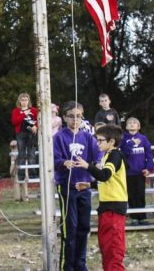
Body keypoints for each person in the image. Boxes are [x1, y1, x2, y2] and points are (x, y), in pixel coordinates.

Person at [53, 101, 101, 271]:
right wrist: (63, 162)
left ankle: (80, 263)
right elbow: (54, 159)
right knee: (70, 228)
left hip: (84, 187)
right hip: (68, 187)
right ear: (64, 117)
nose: (75, 120)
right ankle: (67, 266)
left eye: (79, 116)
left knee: (84, 227)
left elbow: (98, 155)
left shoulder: (88, 137)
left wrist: (98, 164)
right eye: (71, 116)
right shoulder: (59, 137)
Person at [75, 124, 127, 271]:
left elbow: (105, 175)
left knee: (113, 249)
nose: (97, 143)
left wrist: (88, 166)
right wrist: (89, 185)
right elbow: (108, 181)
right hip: (106, 207)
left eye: (100, 140)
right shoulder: (106, 156)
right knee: (105, 247)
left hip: (114, 208)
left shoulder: (115, 155)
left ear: (112, 142)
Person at [120, 117, 154, 225]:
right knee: (131, 195)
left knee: (140, 194)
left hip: (140, 172)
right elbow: (123, 153)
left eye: (134, 123)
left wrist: (149, 168)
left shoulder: (143, 138)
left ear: (138, 127)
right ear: (126, 126)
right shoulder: (123, 139)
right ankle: (134, 217)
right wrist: (131, 143)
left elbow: (149, 154)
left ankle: (142, 217)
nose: (131, 124)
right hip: (128, 172)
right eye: (129, 123)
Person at [11, 93, 39, 182]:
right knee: (21, 154)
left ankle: (33, 175)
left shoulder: (34, 110)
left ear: (28, 101)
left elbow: (39, 120)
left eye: (26, 100)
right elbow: (14, 122)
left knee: (31, 154)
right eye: (22, 100)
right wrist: (23, 114)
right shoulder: (16, 111)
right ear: (19, 101)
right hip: (20, 134)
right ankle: (21, 176)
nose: (24, 102)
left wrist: (36, 126)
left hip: (31, 134)